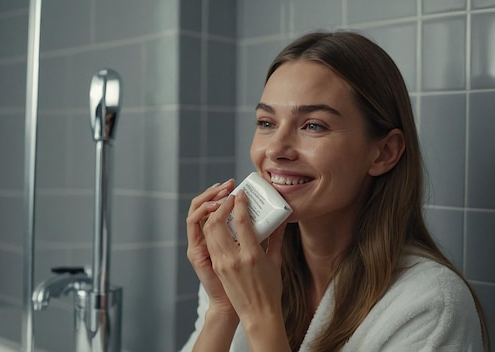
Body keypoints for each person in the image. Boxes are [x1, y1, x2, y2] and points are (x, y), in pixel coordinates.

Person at [181, 31, 490, 352]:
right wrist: (223, 307)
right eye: (267, 122)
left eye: (313, 125)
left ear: (384, 152)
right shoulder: (245, 268)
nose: (276, 149)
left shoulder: (431, 306)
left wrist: (261, 315)